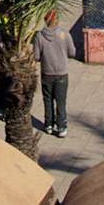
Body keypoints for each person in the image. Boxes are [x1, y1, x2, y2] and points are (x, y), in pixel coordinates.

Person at [33, 10, 75, 138]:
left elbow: (36, 56)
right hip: (62, 72)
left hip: (47, 71)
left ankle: (48, 124)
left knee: (47, 99)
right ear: (57, 21)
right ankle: (62, 126)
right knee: (61, 100)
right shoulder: (64, 34)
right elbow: (72, 52)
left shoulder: (39, 36)